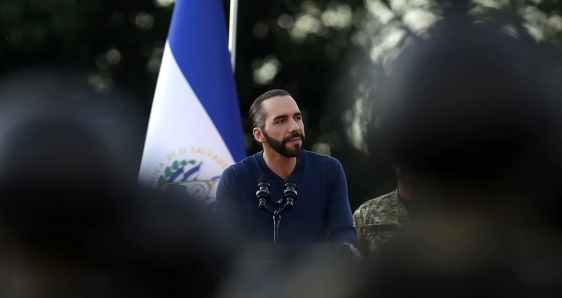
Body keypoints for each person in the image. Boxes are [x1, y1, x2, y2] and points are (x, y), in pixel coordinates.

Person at [215, 89, 357, 248]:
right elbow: (225, 246)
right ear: (259, 135)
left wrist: (347, 248)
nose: (295, 127)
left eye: (297, 118)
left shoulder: (329, 170)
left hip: (315, 271)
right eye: (281, 121)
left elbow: (343, 231)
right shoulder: (234, 178)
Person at [353, 163, 424, 257]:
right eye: (403, 154)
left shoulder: (447, 210)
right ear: (393, 162)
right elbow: (352, 265)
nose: (410, 161)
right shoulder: (365, 213)